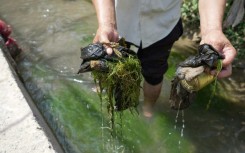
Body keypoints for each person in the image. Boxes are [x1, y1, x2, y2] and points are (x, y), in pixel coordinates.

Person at [91, 0, 237, 117]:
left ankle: (148, 109)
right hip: (119, 21)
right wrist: (106, 24)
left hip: (162, 26)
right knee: (111, 63)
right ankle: (103, 91)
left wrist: (212, 31)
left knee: (154, 73)